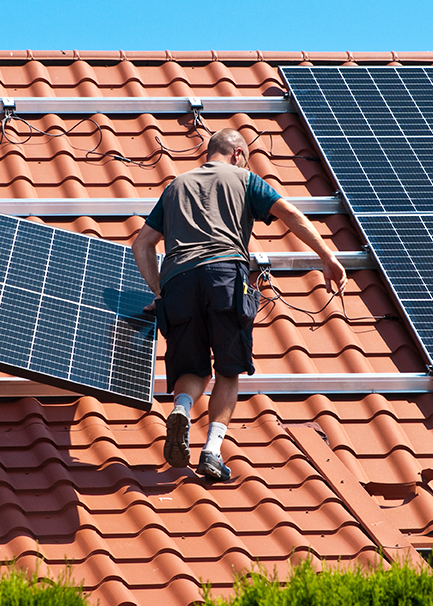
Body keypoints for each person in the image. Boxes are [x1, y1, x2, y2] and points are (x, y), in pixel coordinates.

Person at [132, 128, 347, 482]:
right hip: (224, 277)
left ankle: (182, 410)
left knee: (192, 369)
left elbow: (142, 245)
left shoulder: (175, 187)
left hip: (178, 283)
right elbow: (289, 213)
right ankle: (212, 452)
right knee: (228, 370)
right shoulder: (245, 179)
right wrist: (326, 256)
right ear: (236, 153)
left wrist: (159, 293)